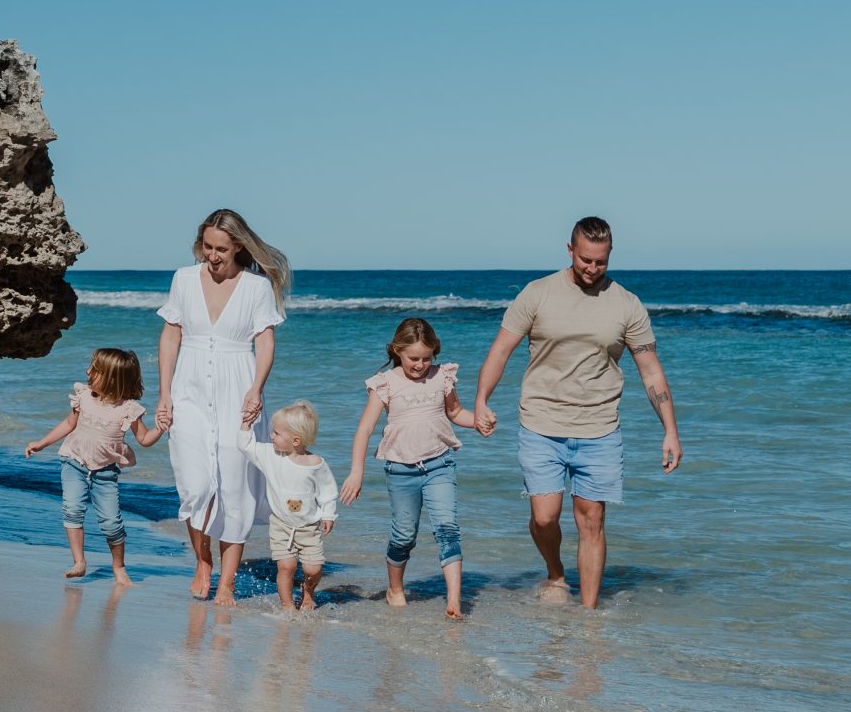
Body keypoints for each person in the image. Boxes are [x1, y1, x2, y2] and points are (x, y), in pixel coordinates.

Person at [471, 217, 683, 608]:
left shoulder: (627, 304)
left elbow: (650, 370)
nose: (592, 269)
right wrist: (482, 399)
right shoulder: (537, 294)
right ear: (570, 250)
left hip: (599, 427)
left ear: (610, 255)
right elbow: (501, 350)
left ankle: (589, 618)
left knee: (592, 521)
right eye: (585, 260)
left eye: (600, 262)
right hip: (540, 423)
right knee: (546, 517)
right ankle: (555, 573)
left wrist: (670, 430)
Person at [155, 209, 290, 605]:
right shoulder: (183, 279)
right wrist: (164, 393)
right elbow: (170, 337)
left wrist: (256, 390)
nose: (212, 256)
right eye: (207, 247)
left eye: (221, 250)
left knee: (236, 487)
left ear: (238, 248)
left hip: (238, 387)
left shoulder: (256, 288)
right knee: (195, 484)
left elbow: (264, 342)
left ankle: (227, 583)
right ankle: (203, 562)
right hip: (189, 388)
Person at [341, 318, 481, 619]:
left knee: (447, 527)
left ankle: (454, 599)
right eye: (413, 358)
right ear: (397, 351)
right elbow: (364, 430)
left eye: (426, 358)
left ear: (435, 353)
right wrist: (356, 472)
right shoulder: (385, 383)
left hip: (439, 463)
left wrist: (479, 421)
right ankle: (395, 588)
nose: (420, 365)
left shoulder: (442, 377)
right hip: (401, 470)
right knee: (405, 535)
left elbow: (456, 412)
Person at [24, 347, 162, 583]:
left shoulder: (128, 409)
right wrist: (42, 442)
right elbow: (69, 424)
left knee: (111, 522)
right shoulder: (84, 396)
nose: (88, 372)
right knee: (73, 509)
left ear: (112, 378)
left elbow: (145, 440)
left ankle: (118, 566)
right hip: (73, 461)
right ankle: (79, 562)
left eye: (95, 370)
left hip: (105, 472)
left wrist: (162, 427)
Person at [235, 401, 336, 611]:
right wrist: (246, 425)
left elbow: (327, 491)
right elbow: (246, 447)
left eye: (277, 433)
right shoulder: (271, 456)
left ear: (296, 440)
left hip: (309, 527)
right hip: (281, 525)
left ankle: (308, 593)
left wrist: (328, 515)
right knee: (286, 566)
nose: (271, 436)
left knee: (313, 568)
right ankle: (287, 605)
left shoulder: (316, 464)